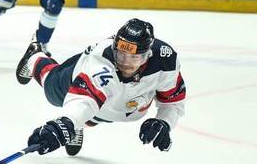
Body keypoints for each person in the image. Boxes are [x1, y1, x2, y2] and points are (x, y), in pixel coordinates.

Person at [16, 18, 185, 156]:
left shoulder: (165, 61)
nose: (125, 63)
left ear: (147, 55)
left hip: (117, 104)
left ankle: (79, 124)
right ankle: (34, 56)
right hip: (78, 75)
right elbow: (85, 101)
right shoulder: (101, 62)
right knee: (52, 90)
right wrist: (66, 124)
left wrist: (164, 123)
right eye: (121, 54)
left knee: (99, 113)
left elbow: (173, 102)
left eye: (134, 58)